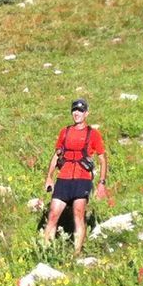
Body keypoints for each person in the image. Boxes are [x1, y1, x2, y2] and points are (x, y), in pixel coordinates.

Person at [42, 98, 106, 253]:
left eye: (81, 110)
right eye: (74, 110)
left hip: (82, 179)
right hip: (63, 178)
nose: (77, 113)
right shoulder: (65, 132)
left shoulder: (93, 134)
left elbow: (102, 159)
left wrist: (101, 183)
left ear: (86, 113)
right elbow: (57, 155)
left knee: (78, 214)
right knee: (52, 215)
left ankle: (77, 253)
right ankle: (45, 252)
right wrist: (49, 177)